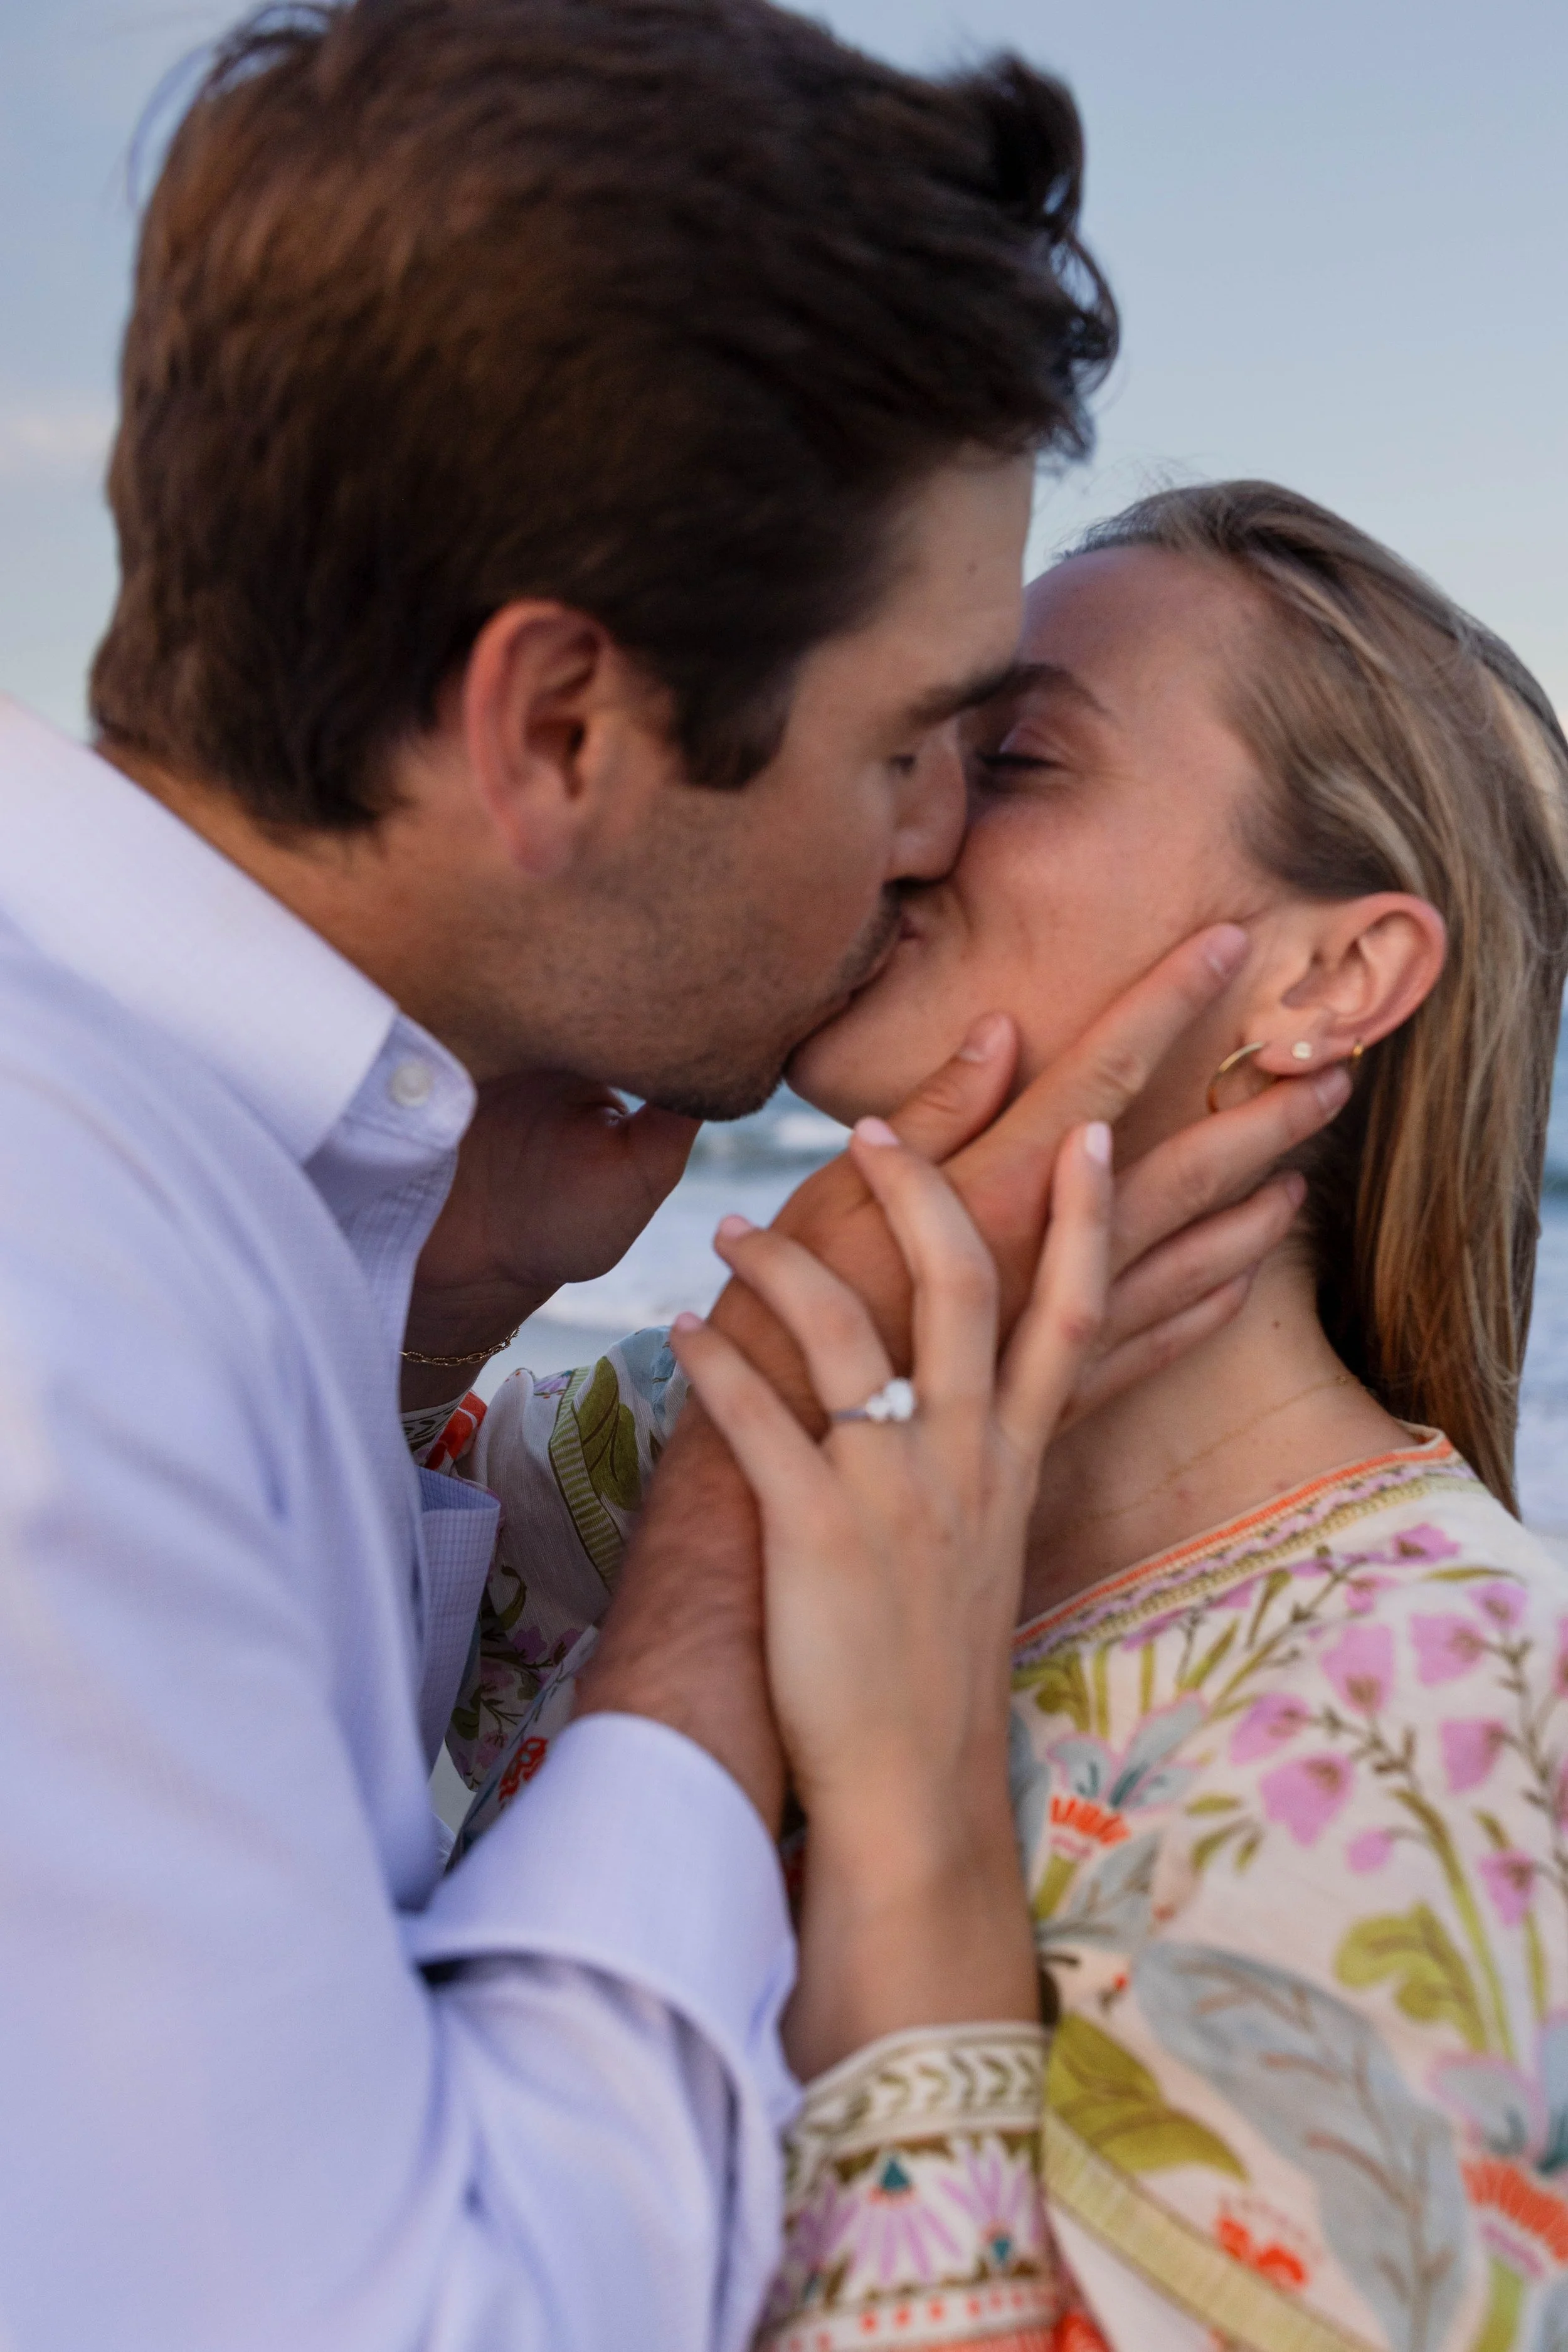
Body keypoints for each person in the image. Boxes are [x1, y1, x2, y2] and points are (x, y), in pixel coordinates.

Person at [0, 3, 1340, 2345]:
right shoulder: (55, 1317)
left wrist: (423, 1300)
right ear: (558, 731)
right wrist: (725, 1546)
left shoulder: (176, 1200)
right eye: (915, 742)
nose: (928, 842)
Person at [443, 484, 1568, 2352]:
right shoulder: (724, 1412)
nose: (898, 806)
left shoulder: (1465, 1713)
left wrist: (917, 1836)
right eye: (908, 737)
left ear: (1327, 978)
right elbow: (176, 1656)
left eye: (1013, 753)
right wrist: (462, 1265)